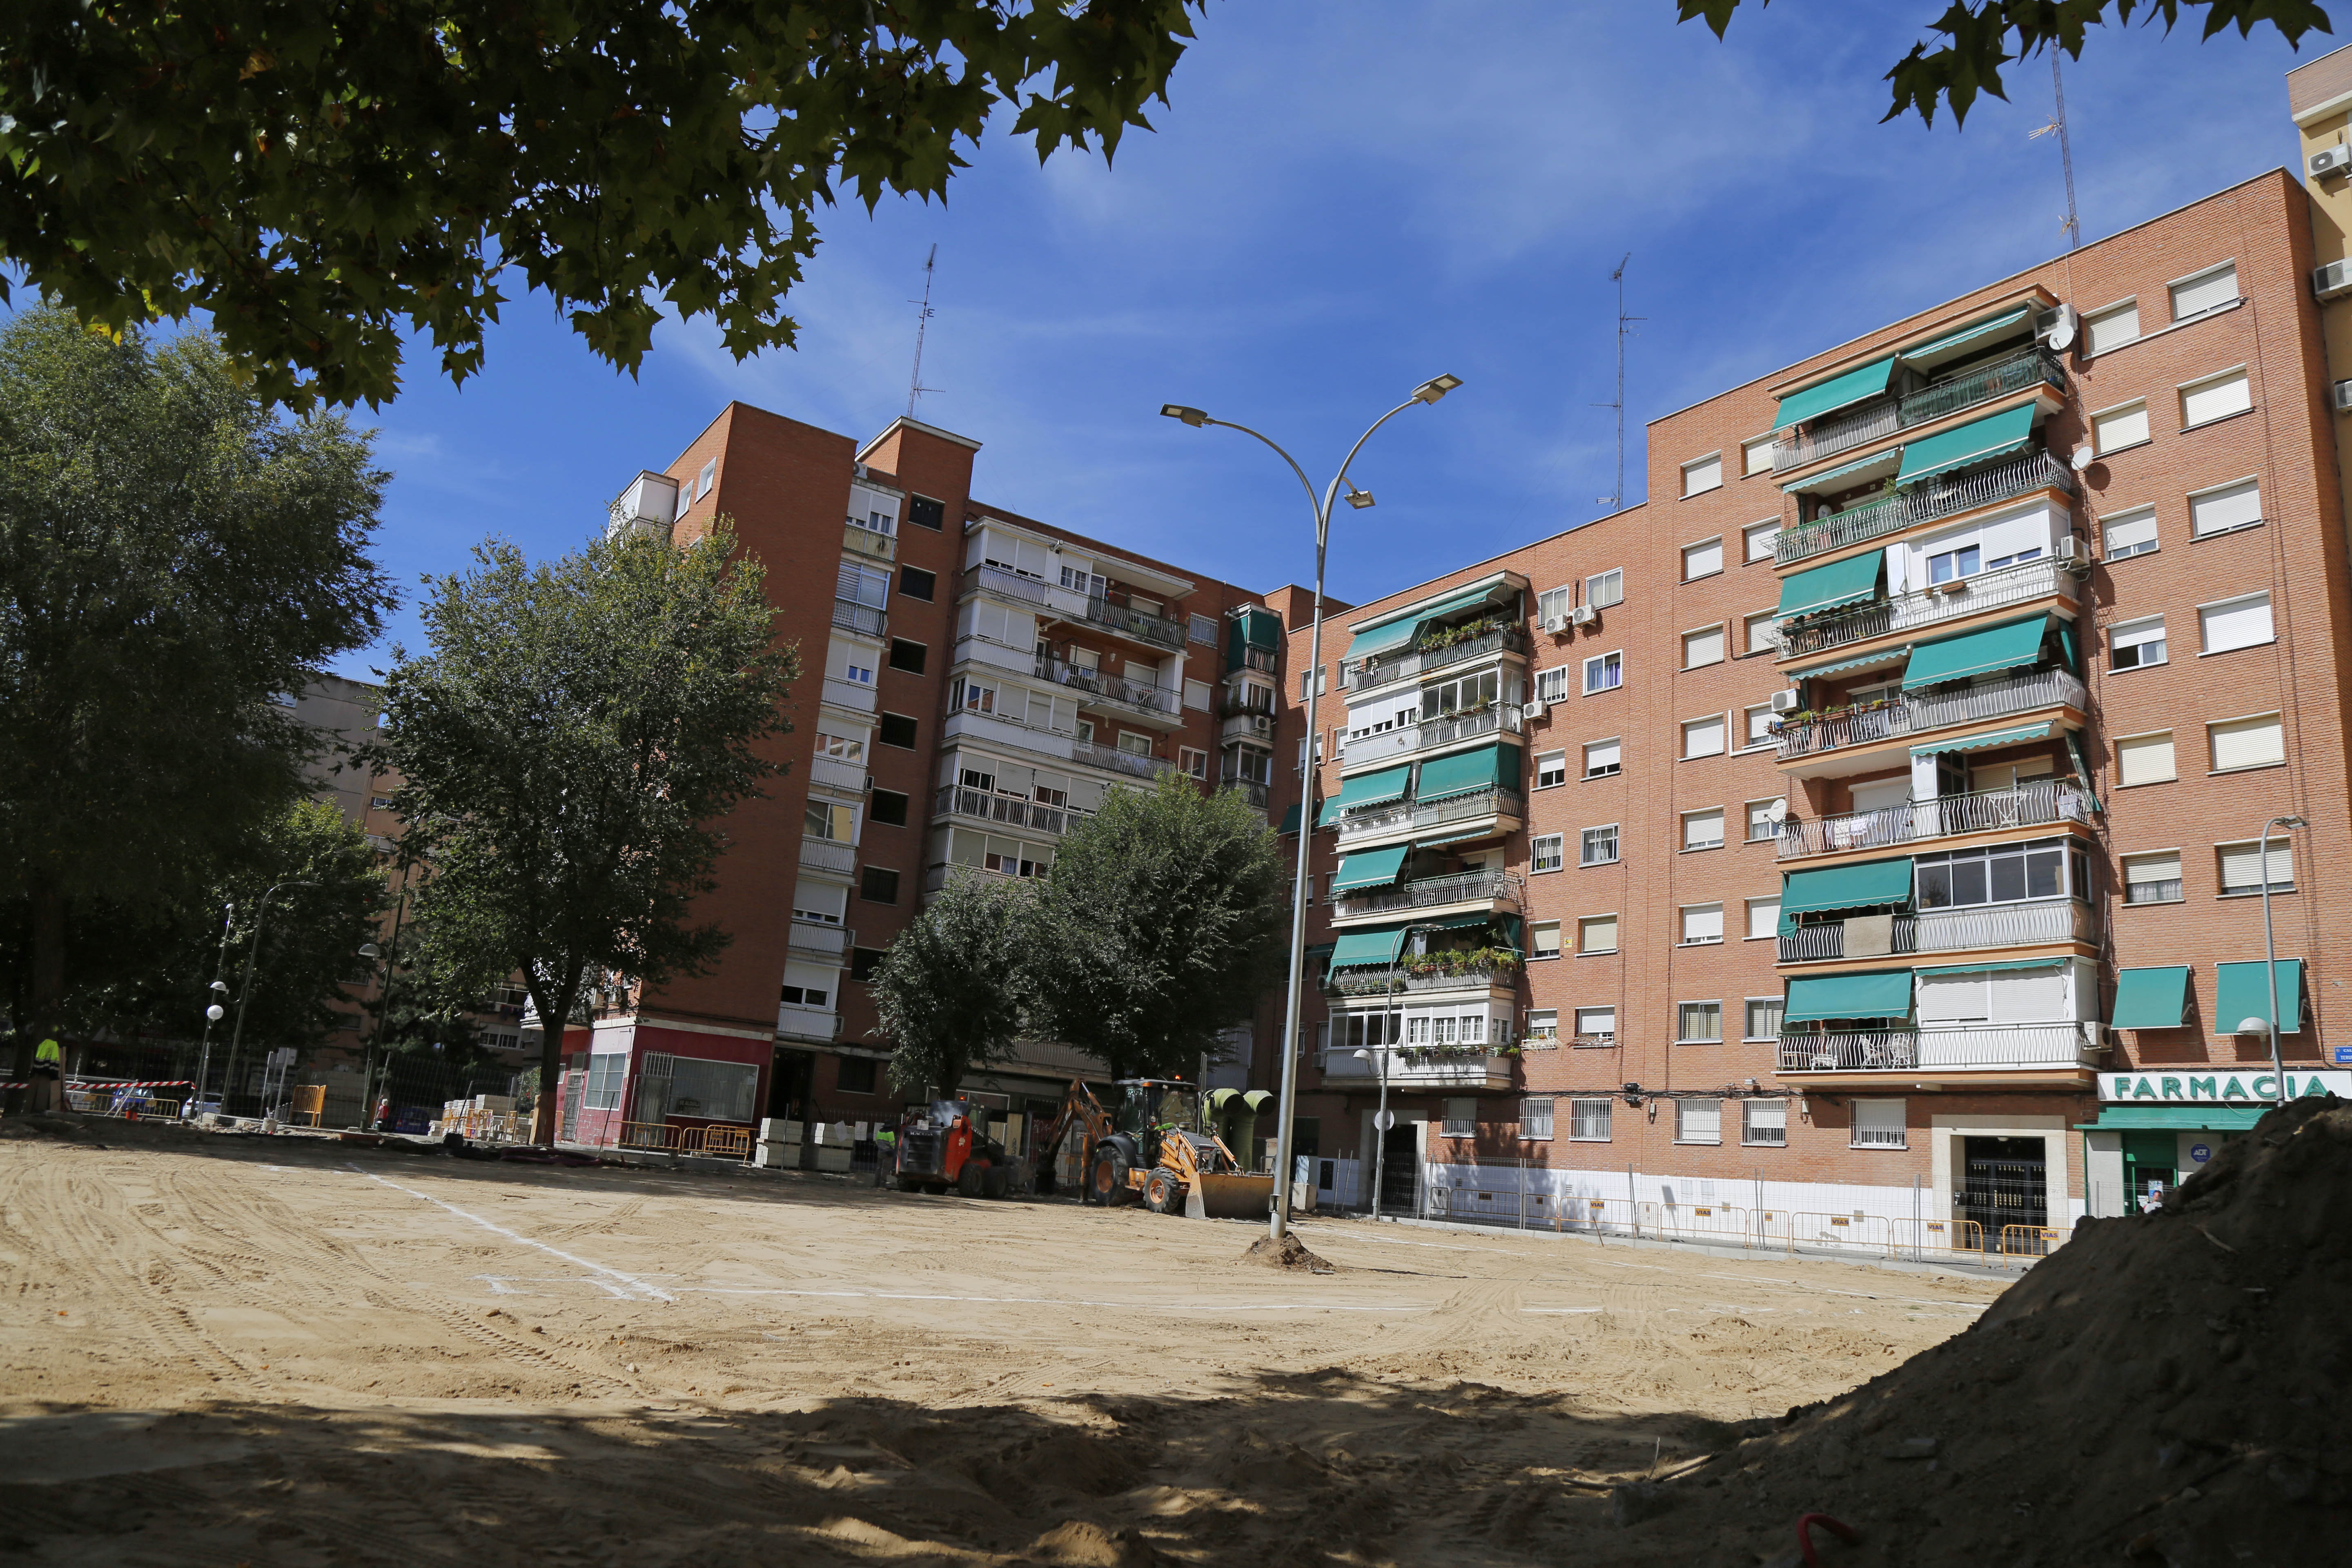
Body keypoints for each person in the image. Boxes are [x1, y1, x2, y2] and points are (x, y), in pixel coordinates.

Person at [28, 1036, 63, 1114]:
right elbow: (55, 1059)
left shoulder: (42, 1045)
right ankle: (39, 1110)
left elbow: (39, 1058)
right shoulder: (54, 1045)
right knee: (42, 1094)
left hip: (38, 1070)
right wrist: (54, 1074)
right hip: (48, 1072)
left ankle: (33, 1110)